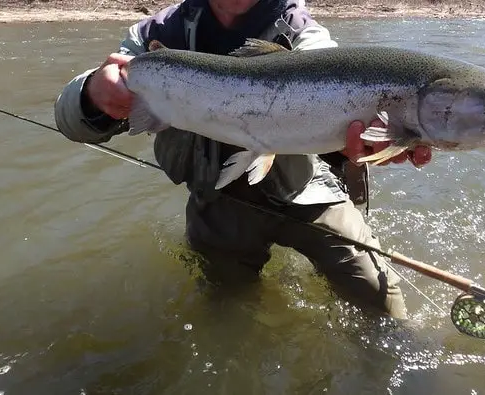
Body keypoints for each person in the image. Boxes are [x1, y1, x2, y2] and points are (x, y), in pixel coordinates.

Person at [53, 0, 432, 320]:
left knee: (381, 305)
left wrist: (366, 140)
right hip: (218, 200)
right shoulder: (158, 33)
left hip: (306, 191)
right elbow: (72, 123)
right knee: (224, 314)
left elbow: (328, 62)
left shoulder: (298, 29)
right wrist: (92, 94)